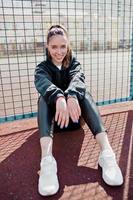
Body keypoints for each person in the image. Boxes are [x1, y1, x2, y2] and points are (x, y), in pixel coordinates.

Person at [34, 24, 123, 196]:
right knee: (43, 99)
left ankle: (106, 153)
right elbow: (43, 83)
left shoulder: (74, 63)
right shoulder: (41, 68)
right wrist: (59, 97)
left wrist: (72, 96)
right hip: (55, 125)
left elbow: (78, 78)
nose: (59, 51)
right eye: (54, 46)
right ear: (47, 46)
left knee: (85, 94)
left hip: (75, 119)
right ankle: (47, 161)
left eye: (63, 46)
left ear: (68, 45)